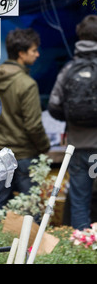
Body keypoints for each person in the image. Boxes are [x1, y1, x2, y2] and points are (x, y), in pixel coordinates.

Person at [0, 27, 50, 215]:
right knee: (32, 209)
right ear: (21, 54)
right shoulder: (27, 84)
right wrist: (44, 147)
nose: (37, 55)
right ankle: (29, 245)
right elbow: (33, 125)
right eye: (33, 50)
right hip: (24, 155)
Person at [48, 14, 97, 230]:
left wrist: (72, 118)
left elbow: (53, 106)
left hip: (77, 147)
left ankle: (80, 247)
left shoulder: (68, 70)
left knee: (79, 200)